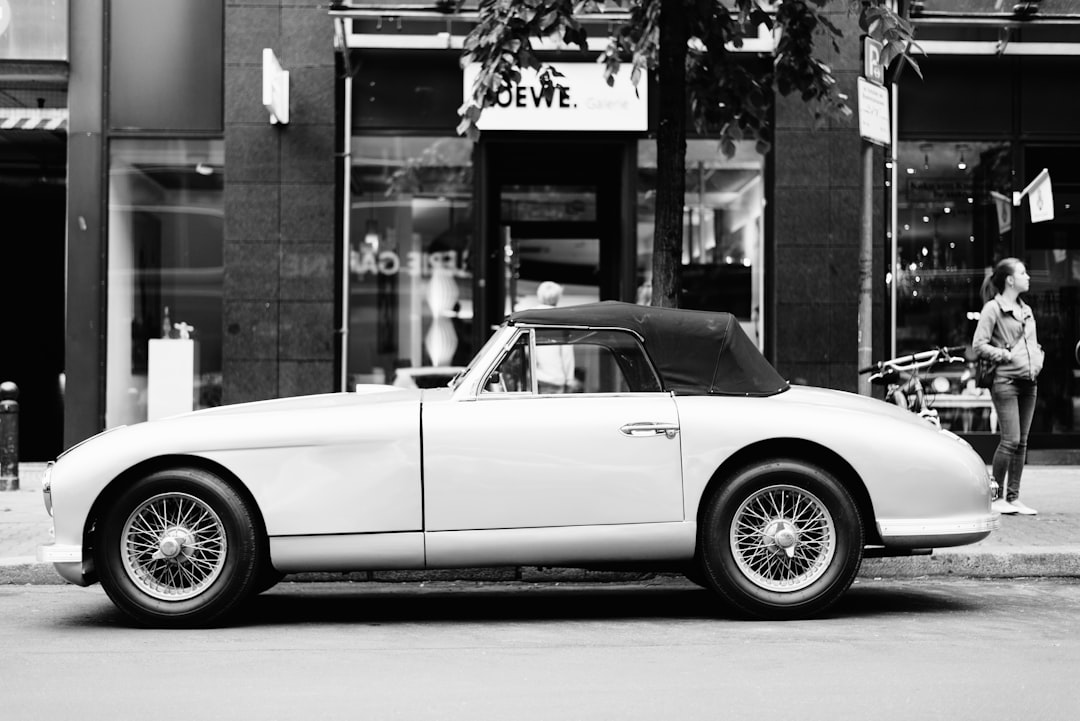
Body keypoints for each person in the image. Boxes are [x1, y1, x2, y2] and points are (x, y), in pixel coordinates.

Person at [972, 258, 1044, 516]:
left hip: (1029, 380)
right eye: (1023, 272)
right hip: (1005, 381)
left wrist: (1037, 359)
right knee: (1010, 440)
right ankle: (998, 495)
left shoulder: (1026, 309)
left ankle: (1013, 498)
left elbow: (1031, 343)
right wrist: (1004, 355)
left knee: (1022, 442)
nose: (1028, 277)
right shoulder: (993, 308)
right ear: (1010, 280)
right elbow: (978, 345)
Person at [533, 281, 575, 393]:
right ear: (558, 297)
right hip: (556, 379)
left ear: (539, 295)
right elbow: (566, 354)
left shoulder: (530, 317)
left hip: (534, 379)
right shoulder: (561, 319)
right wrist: (569, 380)